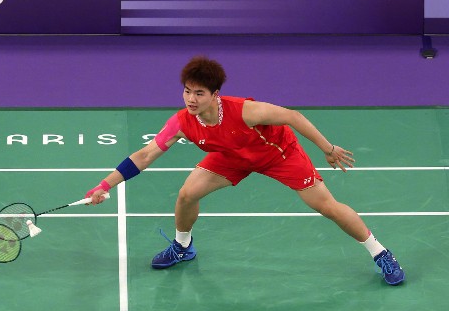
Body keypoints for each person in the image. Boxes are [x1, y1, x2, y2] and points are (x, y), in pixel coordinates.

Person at [85, 56, 404, 286]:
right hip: (231, 157)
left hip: (277, 154)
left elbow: (292, 116)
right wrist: (105, 185)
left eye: (199, 93)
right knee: (187, 194)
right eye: (187, 91)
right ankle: (183, 246)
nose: (191, 99)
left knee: (326, 206)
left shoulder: (245, 111)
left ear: (214, 95)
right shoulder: (182, 122)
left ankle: (380, 253)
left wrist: (327, 148)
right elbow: (145, 154)